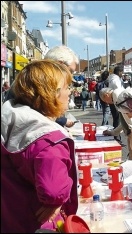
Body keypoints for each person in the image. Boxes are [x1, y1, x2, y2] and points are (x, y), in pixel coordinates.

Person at [1, 60, 78, 233]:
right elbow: (53, 190)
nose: (69, 92)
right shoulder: (48, 139)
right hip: (39, 224)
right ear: (52, 93)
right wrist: (57, 201)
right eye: (66, 87)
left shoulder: (11, 118)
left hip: (12, 218)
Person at [5, 45, 79, 128]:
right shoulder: (34, 81)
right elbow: (42, 113)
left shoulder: (31, 78)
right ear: (60, 64)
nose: (71, 76)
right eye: (70, 71)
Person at [107, 66, 125, 140]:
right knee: (117, 119)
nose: (122, 74)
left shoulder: (112, 79)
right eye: (122, 72)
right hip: (117, 101)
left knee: (117, 118)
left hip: (114, 100)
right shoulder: (115, 79)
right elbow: (118, 89)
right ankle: (116, 137)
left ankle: (116, 136)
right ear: (119, 72)